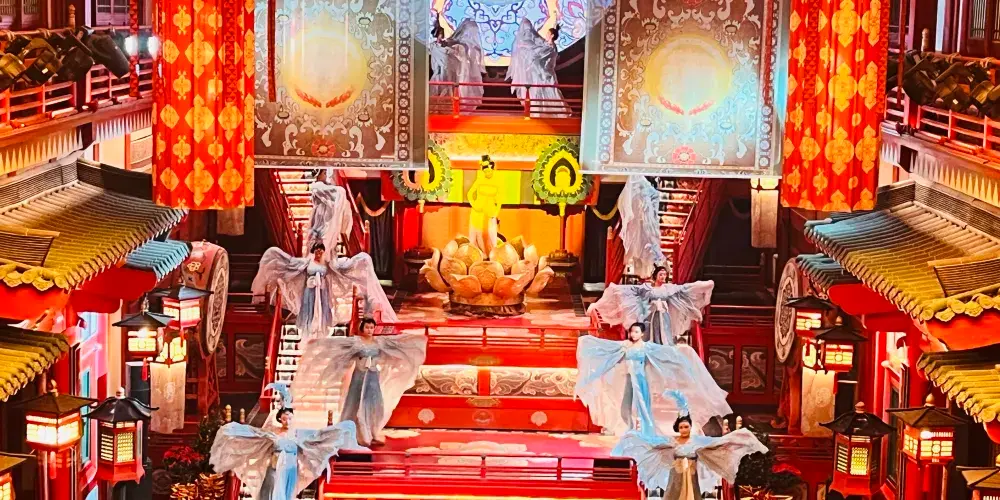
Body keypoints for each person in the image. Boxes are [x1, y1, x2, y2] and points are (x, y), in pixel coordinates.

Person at [575, 323, 731, 436]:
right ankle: (629, 428)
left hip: (641, 380)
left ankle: (644, 430)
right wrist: (586, 341)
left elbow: (666, 353)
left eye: (636, 332)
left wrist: (684, 351)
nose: (633, 334)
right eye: (632, 331)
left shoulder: (647, 347)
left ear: (642, 334)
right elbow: (608, 349)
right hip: (629, 379)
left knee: (643, 407)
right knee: (625, 406)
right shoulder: (625, 345)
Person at [292, 317, 427, 446]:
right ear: (362, 328)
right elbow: (336, 343)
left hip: (373, 376)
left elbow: (397, 342)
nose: (369, 330)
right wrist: (318, 343)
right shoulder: (356, 342)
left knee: (374, 404)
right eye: (367, 327)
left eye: (372, 327)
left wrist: (417, 339)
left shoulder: (379, 342)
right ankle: (359, 433)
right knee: (356, 403)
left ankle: (372, 431)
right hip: (359, 376)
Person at [612, 393, 767, 500]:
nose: (684, 429)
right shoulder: (672, 441)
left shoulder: (697, 440)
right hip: (676, 475)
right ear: (677, 428)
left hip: (692, 475)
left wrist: (735, 438)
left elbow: (713, 444)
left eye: (686, 427)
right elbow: (655, 444)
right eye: (681, 427)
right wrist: (637, 438)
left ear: (690, 427)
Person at [210, 407, 365, 500]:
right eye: (284, 419)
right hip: (274, 468)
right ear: (280, 419)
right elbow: (257, 437)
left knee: (287, 494)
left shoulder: (298, 434)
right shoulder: (272, 434)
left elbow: (315, 439)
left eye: (290, 419)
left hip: (290, 469)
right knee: (271, 493)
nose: (287, 422)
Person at [251, 244, 397, 338]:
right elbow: (297, 271)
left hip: (322, 291)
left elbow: (338, 271)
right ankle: (309, 329)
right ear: (314, 251)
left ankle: (321, 329)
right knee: (309, 309)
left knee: (323, 309)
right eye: (317, 251)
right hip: (310, 291)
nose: (319, 253)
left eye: (321, 251)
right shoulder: (307, 263)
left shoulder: (327, 264)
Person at [588, 265, 714, 345]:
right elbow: (630, 290)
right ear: (655, 276)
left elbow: (685, 288)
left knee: (664, 333)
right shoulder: (647, 288)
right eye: (661, 274)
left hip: (663, 314)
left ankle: (664, 347)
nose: (663, 277)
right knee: (649, 335)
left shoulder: (669, 288)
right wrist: (615, 289)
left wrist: (705, 285)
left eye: (665, 275)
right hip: (650, 314)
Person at [506, 18, 570, 118]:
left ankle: (556, 113)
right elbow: (538, 48)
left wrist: (525, 47)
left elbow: (537, 53)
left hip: (545, 74)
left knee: (549, 92)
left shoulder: (550, 47)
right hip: (542, 73)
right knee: (541, 92)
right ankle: (540, 112)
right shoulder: (548, 45)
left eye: (548, 34)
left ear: (552, 36)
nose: (546, 35)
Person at [429, 15, 485, 112]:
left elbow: (465, 57)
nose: (472, 36)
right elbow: (447, 50)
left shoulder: (468, 46)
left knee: (457, 90)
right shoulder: (452, 43)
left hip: (460, 72)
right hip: (449, 71)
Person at [617, 176, 664, 278]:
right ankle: (643, 272)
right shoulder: (639, 184)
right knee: (641, 247)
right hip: (642, 220)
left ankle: (648, 272)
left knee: (646, 247)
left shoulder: (646, 187)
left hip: (647, 220)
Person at [308, 169, 352, 256]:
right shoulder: (317, 185)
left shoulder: (321, 185)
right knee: (322, 235)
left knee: (327, 239)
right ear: (318, 175)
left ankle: (326, 256)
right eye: (324, 173)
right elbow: (336, 193)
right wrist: (341, 190)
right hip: (321, 215)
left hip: (325, 214)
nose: (326, 176)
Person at [466, 156, 502, 253]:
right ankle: (475, 254)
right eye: (485, 172)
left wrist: (496, 212)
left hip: (490, 212)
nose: (487, 173)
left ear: (493, 169)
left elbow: (499, 200)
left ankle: (492, 254)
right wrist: (474, 204)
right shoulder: (480, 180)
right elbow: (469, 194)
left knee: (491, 234)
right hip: (477, 211)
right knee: (475, 234)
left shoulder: (497, 182)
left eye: (489, 171)